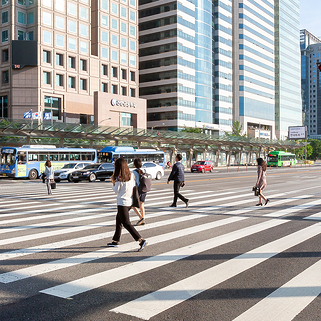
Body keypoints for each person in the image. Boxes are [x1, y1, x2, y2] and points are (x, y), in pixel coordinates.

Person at [107, 157, 147, 252]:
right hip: (129, 201)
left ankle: (141, 240)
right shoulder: (131, 175)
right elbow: (134, 186)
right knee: (118, 220)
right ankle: (115, 240)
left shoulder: (119, 178)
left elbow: (116, 191)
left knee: (126, 223)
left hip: (122, 203)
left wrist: (113, 182)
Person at [132, 158, 147, 226]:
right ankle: (143, 219)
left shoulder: (134, 172)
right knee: (142, 205)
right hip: (144, 189)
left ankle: (141, 218)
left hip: (138, 190)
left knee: (133, 205)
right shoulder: (144, 170)